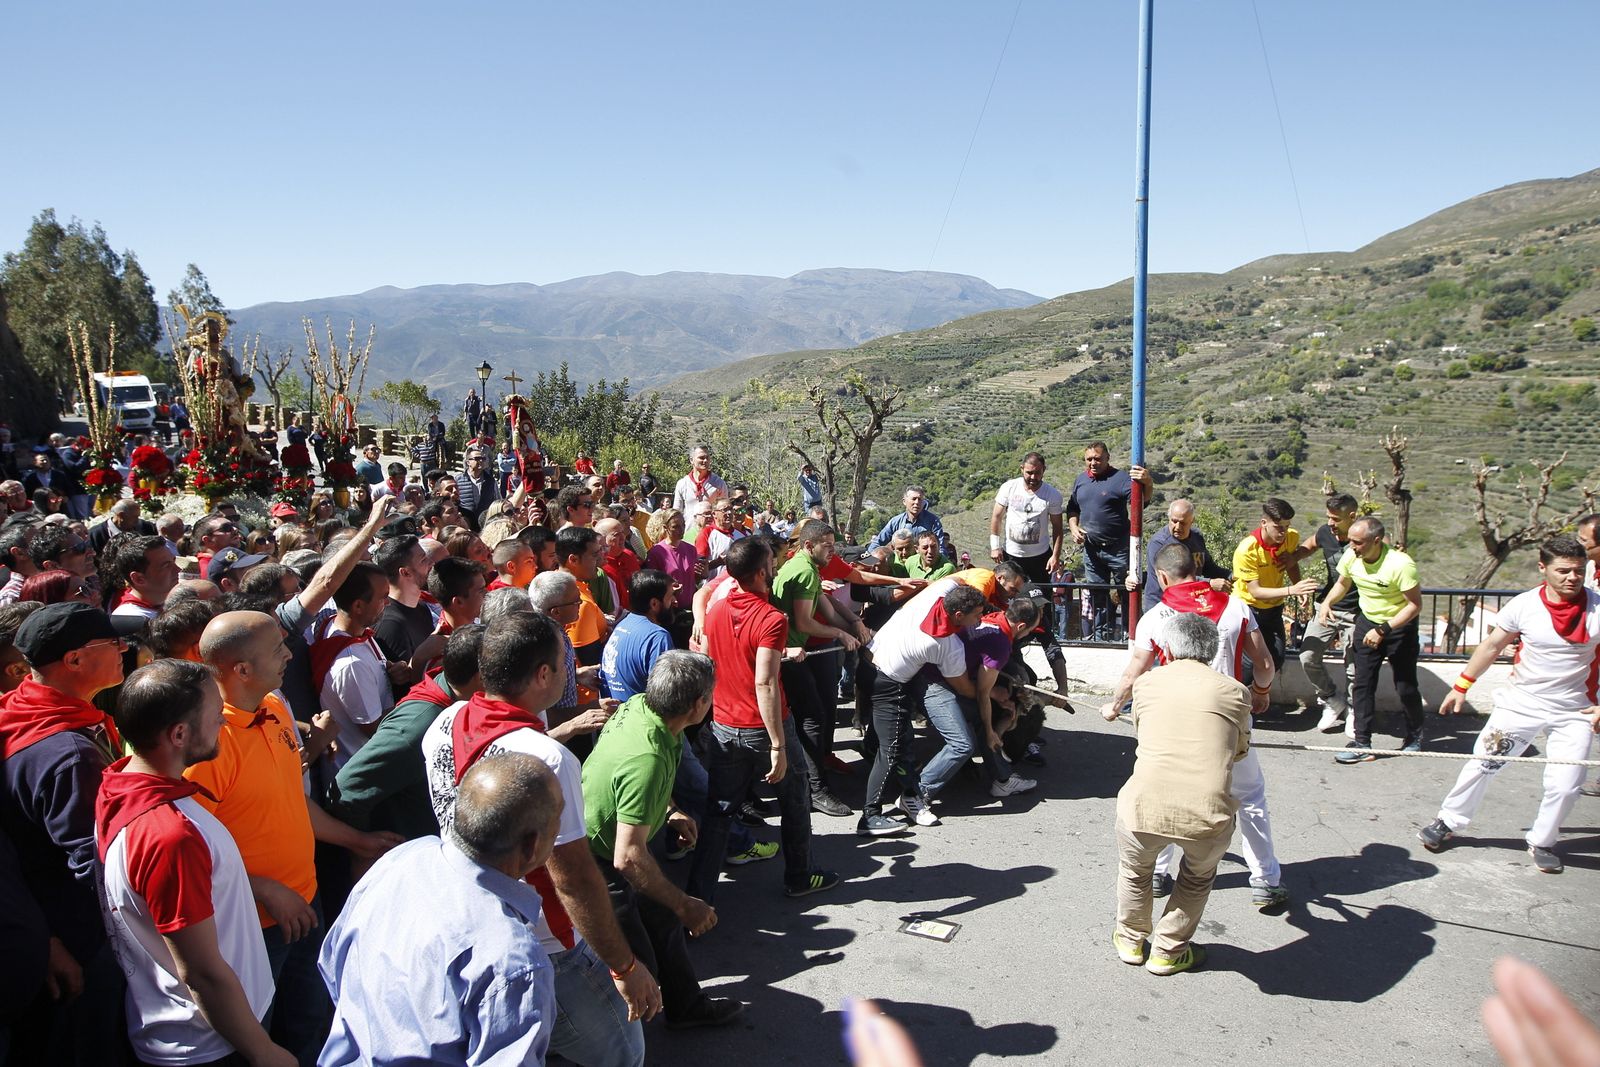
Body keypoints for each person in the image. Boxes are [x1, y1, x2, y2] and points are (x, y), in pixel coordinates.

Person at [420, 611, 661, 1066]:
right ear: (544, 673)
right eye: (565, 662)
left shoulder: (445, 723)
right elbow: (571, 880)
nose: (571, 670)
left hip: (470, 926)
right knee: (623, 1053)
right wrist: (625, 967)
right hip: (548, 947)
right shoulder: (547, 760)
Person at [188, 610, 404, 1065]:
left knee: (311, 1028)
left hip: (304, 905)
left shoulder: (272, 710)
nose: (290, 654)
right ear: (241, 670)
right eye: (276, 649)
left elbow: (293, 801)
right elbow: (190, 851)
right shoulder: (209, 743)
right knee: (257, 1041)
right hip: (251, 929)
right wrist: (265, 889)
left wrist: (356, 841)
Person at [96, 659, 290, 1067]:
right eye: (215, 715)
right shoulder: (171, 836)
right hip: (212, 1042)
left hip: (206, 1028)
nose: (222, 720)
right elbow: (201, 972)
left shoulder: (120, 782)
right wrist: (263, 1051)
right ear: (180, 734)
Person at [319, 753, 562, 1067]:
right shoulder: (515, 961)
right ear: (531, 845)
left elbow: (333, 964)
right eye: (559, 818)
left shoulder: (401, 859)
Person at [1102, 543, 1286, 908]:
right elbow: (1264, 663)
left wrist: (1114, 706)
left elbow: (1134, 671)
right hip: (1228, 722)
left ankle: (1157, 873)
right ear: (1196, 570)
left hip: (1173, 722)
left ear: (1162, 576)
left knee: (1171, 792)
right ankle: (1265, 880)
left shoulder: (1155, 617)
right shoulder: (1235, 606)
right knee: (1249, 798)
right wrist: (1261, 692)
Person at [582, 651, 746, 1030]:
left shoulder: (642, 707)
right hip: (597, 862)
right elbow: (627, 858)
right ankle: (600, 1042)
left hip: (613, 844)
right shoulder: (648, 756)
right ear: (698, 703)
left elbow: (629, 786)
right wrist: (687, 903)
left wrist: (668, 810)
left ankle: (686, 1005)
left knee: (663, 920)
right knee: (636, 970)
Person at [1417, 536, 1599, 873]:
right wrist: (1461, 686)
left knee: (1566, 784)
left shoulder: (1598, 608)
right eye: (1563, 571)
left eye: (1578, 570)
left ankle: (1543, 841)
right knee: (1482, 763)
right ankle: (1448, 821)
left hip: (1574, 710)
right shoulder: (1524, 605)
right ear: (1543, 568)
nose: (1572, 577)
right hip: (1521, 704)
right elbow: (1490, 646)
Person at [0, 602, 130, 1063]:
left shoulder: (24, 707)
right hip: (79, 940)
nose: (124, 648)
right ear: (73, 660)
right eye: (110, 643)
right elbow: (90, 863)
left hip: (46, 929)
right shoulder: (68, 752)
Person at [688, 539, 839, 903]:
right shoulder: (772, 618)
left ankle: (698, 895)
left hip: (724, 724)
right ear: (760, 572)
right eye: (772, 561)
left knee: (720, 811)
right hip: (763, 725)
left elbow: (714, 658)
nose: (776, 565)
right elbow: (766, 682)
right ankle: (800, 875)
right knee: (795, 799)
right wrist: (778, 745)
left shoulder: (716, 608)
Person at [1112, 613, 1251, 977]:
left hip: (1143, 807)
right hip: (1207, 813)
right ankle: (1168, 952)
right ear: (1213, 649)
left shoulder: (1146, 684)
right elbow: (1240, 751)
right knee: (1197, 877)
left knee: (1135, 870)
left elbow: (1143, 732)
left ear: (1169, 649)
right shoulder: (1236, 692)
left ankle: (1129, 940)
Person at [326, 626, 485, 841]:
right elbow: (345, 791)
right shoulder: (415, 727)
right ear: (479, 677)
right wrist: (362, 845)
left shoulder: (453, 700)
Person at [857, 580, 987, 835]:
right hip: (888, 685)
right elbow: (964, 689)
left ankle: (907, 793)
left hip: (866, 665)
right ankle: (870, 817)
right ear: (959, 615)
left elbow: (956, 580)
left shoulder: (936, 594)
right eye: (977, 615)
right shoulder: (947, 645)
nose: (980, 620)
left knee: (896, 745)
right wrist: (990, 691)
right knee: (891, 751)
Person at [1315, 516, 1427, 763]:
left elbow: (1415, 605)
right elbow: (1342, 584)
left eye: (1358, 542)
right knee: (1362, 684)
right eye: (1351, 541)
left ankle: (1415, 736)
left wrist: (1384, 629)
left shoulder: (1400, 564)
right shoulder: (1351, 556)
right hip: (1367, 623)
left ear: (1376, 541)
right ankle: (1362, 743)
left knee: (1405, 685)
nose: (1352, 546)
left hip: (1399, 627)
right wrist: (1326, 603)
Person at [773, 520, 865, 817]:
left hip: (790, 652)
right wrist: (840, 634)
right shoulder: (803, 572)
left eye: (834, 545)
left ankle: (808, 780)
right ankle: (815, 789)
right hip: (788, 655)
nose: (832, 551)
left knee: (810, 718)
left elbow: (826, 609)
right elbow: (804, 623)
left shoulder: (805, 567)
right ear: (808, 546)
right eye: (827, 546)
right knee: (811, 719)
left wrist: (856, 626)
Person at [311, 562, 397, 769]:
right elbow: (375, 728)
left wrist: (392, 671)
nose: (389, 603)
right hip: (368, 769)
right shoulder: (351, 664)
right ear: (358, 606)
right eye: (383, 597)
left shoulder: (344, 627)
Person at [1067, 441, 1154, 639]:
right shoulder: (1080, 480)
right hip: (1091, 550)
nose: (1093, 463)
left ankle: (1129, 633)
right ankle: (1101, 635)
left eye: (1097, 458)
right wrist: (1074, 528)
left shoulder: (1121, 479)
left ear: (1107, 458)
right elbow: (1072, 508)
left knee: (1127, 590)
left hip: (1119, 548)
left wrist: (1148, 483)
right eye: (1089, 459)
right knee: (1097, 593)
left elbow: (1142, 502)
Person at [1230, 497, 1319, 684]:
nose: (1283, 532)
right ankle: (1240, 702)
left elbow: (1291, 564)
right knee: (1248, 665)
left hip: (1273, 609)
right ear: (1264, 523)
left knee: (1276, 658)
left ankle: (1255, 697)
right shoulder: (1247, 549)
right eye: (1278, 527)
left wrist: (1300, 587)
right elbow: (1255, 592)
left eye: (1287, 526)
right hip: (1248, 609)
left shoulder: (1291, 537)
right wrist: (1292, 590)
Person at [1299, 493, 1362, 733]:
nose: (1331, 523)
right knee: (1307, 656)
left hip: (1356, 612)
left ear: (1352, 517)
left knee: (1354, 667)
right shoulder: (1325, 533)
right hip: (1326, 607)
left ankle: (1355, 710)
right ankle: (1331, 699)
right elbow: (1305, 548)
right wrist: (1287, 561)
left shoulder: (1364, 538)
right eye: (1329, 517)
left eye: (1336, 518)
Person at [1135, 498, 1230, 609]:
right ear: (1168, 518)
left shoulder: (1197, 538)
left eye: (1183, 523)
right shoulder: (1159, 543)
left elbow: (1208, 567)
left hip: (1189, 603)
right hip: (1162, 605)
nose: (1177, 527)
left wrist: (1231, 575)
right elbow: (1175, 578)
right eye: (1174, 521)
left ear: (1192, 521)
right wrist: (1209, 583)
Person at [989, 452, 1065, 586]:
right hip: (1012, 554)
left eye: (1037, 473)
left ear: (1044, 470)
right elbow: (997, 516)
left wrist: (1055, 556)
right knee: (1011, 594)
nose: (1033, 477)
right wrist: (995, 546)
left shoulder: (1052, 495)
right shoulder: (1009, 488)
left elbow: (1058, 528)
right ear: (1022, 469)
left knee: (1043, 596)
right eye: (1029, 473)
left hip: (1040, 556)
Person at [866, 486, 944, 553]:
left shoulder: (933, 521)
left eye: (920, 499)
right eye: (913, 499)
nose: (916, 502)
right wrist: (870, 560)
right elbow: (878, 542)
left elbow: (940, 547)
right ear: (904, 501)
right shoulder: (895, 522)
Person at [671, 445, 727, 517]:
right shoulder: (682, 484)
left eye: (707, 458)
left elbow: (724, 509)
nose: (705, 461)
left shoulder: (719, 483)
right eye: (701, 458)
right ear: (691, 460)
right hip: (689, 527)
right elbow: (676, 511)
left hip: (710, 527)